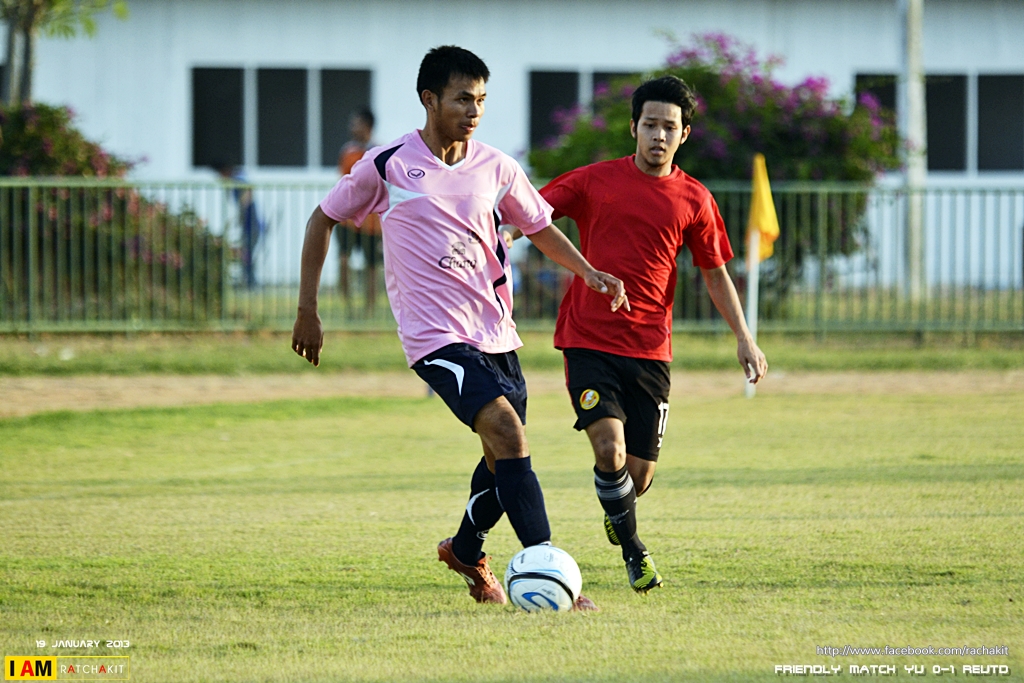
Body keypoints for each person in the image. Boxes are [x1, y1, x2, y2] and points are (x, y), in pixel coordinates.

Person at [290, 46, 627, 609]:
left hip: (497, 334)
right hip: (435, 337)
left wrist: (587, 271)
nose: (474, 111)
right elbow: (322, 218)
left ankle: (467, 550)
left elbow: (538, 226)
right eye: (463, 99)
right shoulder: (387, 163)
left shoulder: (497, 166)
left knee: (501, 461)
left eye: (481, 100)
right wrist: (308, 309)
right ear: (429, 100)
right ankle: (549, 570)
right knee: (509, 435)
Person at [511, 75, 768, 593]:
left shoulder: (695, 199)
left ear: (684, 134)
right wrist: (501, 232)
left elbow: (715, 272)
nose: (658, 135)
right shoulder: (593, 181)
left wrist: (744, 336)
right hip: (588, 340)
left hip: (650, 351)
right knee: (608, 449)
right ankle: (635, 551)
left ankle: (619, 511)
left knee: (638, 476)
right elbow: (531, 215)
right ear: (633, 127)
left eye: (669, 127)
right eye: (650, 124)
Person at [335, 110, 382, 313]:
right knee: (343, 260)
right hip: (347, 219)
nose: (352, 127)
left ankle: (369, 309)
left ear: (367, 126)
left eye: (356, 123)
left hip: (371, 223)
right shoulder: (348, 151)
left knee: (371, 266)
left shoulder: (379, 152)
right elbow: (343, 181)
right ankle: (347, 307)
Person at [215, 163, 264, 288]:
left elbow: (248, 193)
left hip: (252, 226)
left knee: (246, 254)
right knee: (246, 255)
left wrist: (241, 211)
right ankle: (249, 281)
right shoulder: (236, 180)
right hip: (248, 226)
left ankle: (251, 282)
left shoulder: (238, 180)